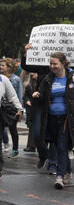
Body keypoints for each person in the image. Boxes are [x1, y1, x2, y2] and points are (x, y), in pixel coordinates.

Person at [32, 52, 73, 189]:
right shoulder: (48, 79)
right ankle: (67, 171)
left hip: (66, 117)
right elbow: (42, 93)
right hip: (50, 117)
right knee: (58, 144)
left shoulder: (71, 77)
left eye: (55, 63)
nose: (52, 66)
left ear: (62, 63)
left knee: (61, 146)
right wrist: (37, 94)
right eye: (50, 63)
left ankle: (59, 176)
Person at [21, 43, 57, 173]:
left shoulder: (66, 71)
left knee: (54, 135)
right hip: (41, 104)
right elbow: (25, 65)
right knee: (36, 134)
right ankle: (43, 155)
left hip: (57, 105)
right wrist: (26, 53)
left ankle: (53, 163)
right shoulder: (42, 67)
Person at [0, 58, 23, 158]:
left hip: (12, 108)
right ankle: (1, 145)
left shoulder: (16, 79)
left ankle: (15, 149)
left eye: (3, 65)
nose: (0, 67)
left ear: (9, 67)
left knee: (13, 129)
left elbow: (19, 94)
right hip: (1, 107)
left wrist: (20, 110)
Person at [22, 71, 37, 152]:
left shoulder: (42, 83)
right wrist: (27, 100)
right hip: (31, 108)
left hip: (38, 107)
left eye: (34, 73)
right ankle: (31, 145)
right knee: (31, 126)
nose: (32, 74)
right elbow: (26, 96)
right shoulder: (29, 85)